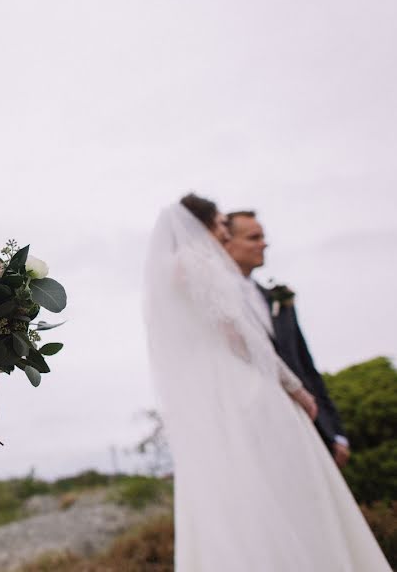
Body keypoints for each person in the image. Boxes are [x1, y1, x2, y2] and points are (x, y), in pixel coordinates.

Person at [142, 194, 388, 571]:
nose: (223, 234)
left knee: (234, 493)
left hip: (209, 393)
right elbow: (241, 335)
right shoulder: (200, 263)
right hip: (243, 384)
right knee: (290, 484)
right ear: (204, 225)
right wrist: (295, 388)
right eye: (222, 225)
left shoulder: (168, 272)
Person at [224, 210, 350, 467]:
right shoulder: (219, 303)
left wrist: (335, 431)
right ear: (226, 242)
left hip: (309, 423)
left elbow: (306, 367)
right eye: (253, 237)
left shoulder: (279, 298)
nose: (264, 243)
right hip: (258, 431)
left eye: (263, 236)